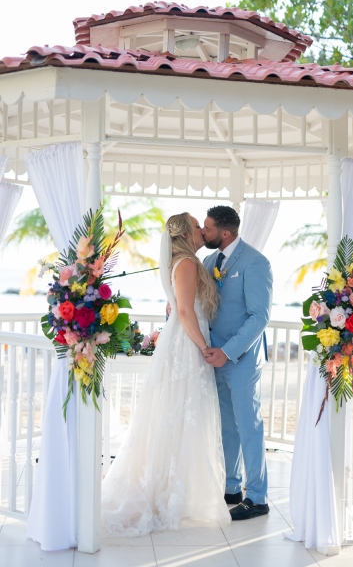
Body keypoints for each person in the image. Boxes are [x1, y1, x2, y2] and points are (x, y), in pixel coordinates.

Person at [102, 213, 230, 536]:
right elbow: (185, 312)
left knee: (178, 418)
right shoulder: (186, 264)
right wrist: (204, 347)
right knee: (181, 415)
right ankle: (164, 494)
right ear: (186, 233)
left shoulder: (186, 262)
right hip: (187, 347)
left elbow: (180, 307)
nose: (202, 229)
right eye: (196, 225)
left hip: (184, 341)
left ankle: (176, 491)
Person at [202, 205, 273, 521]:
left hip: (241, 358)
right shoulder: (207, 261)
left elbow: (260, 316)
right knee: (226, 427)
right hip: (211, 358)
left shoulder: (257, 263)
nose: (203, 233)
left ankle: (257, 497)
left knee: (249, 426)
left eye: (208, 228)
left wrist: (228, 351)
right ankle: (231, 488)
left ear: (225, 232)